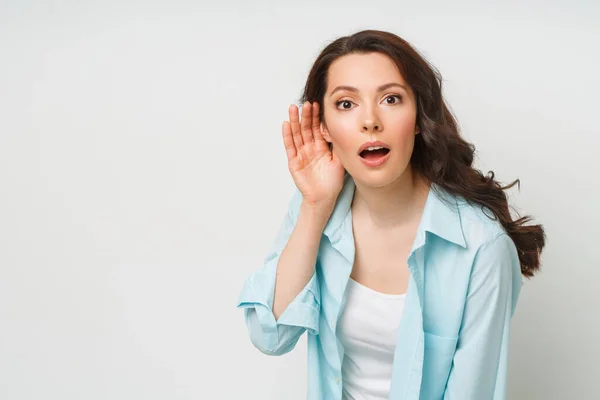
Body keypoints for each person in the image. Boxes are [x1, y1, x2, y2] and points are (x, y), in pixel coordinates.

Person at [237, 29, 545, 400]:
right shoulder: (315, 208)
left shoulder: (481, 247)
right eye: (346, 104)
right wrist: (315, 207)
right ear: (324, 128)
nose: (370, 121)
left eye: (391, 99)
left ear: (418, 117)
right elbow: (271, 336)